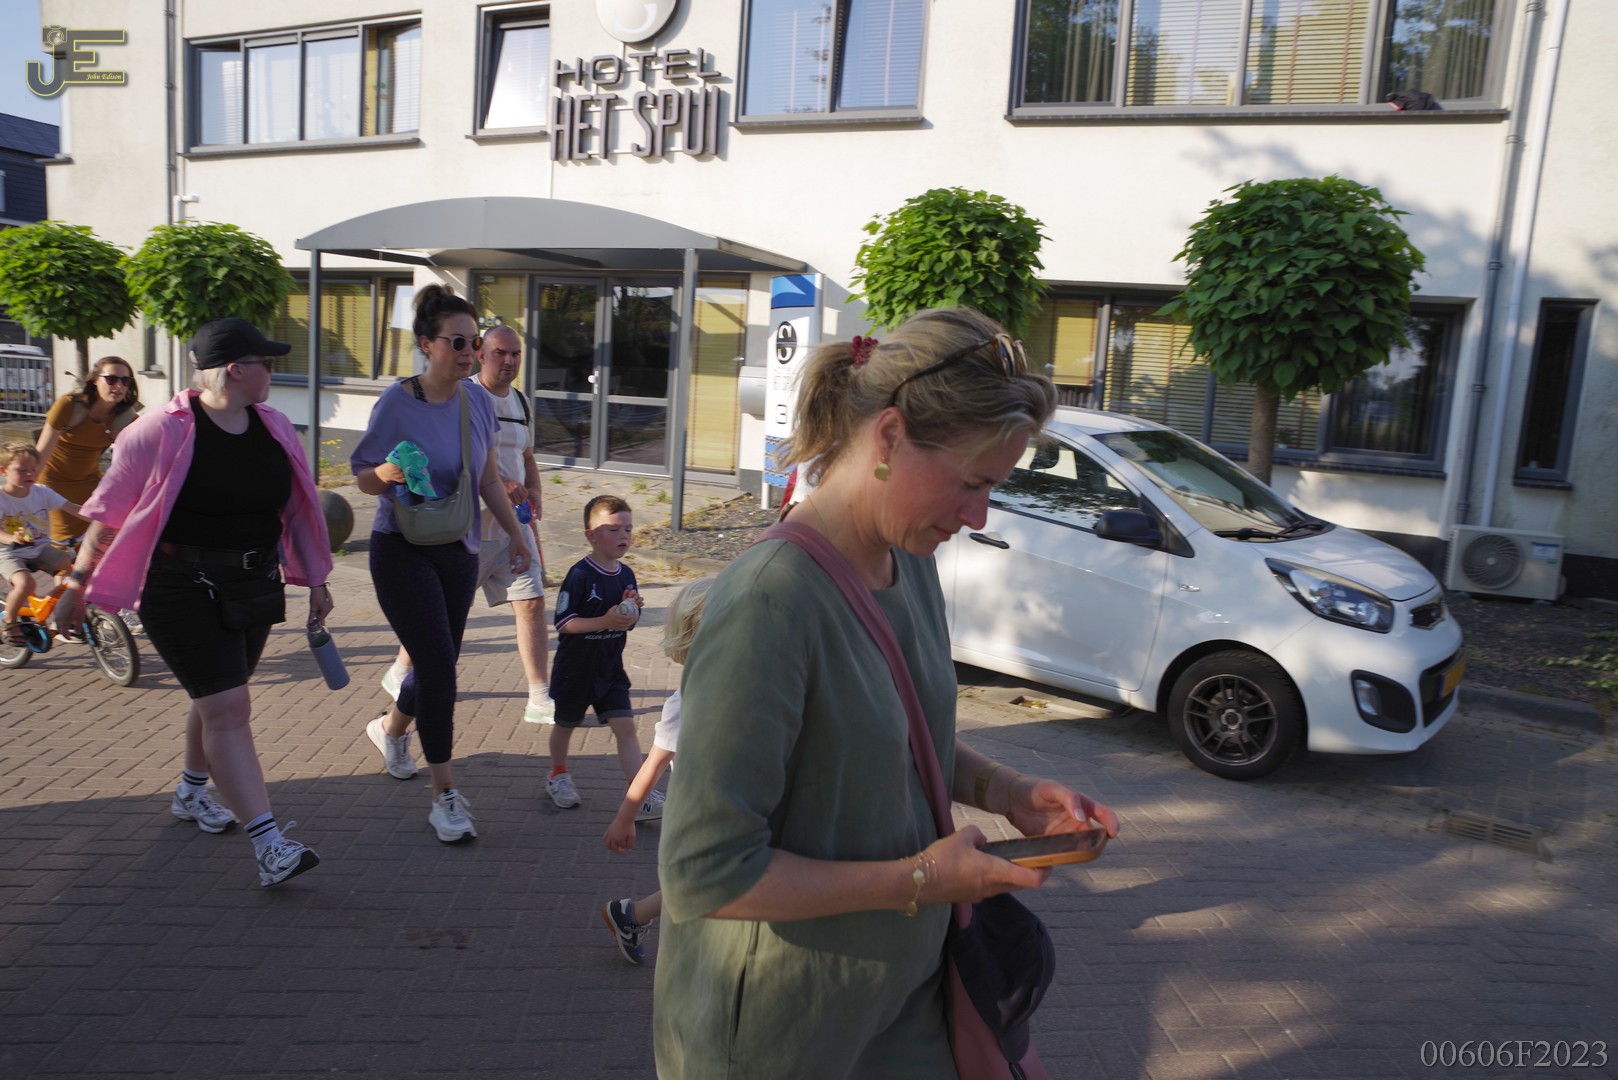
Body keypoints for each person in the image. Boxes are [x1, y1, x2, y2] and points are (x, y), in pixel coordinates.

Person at [652, 309, 1121, 1078]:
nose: (978, 515)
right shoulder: (770, 601)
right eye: (970, 483)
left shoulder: (910, 561)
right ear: (891, 437)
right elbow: (704, 872)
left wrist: (1007, 791)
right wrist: (922, 880)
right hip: (784, 1037)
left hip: (906, 1002)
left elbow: (898, 732)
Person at [57, 318, 333, 888]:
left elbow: (296, 508)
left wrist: (316, 580)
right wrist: (77, 587)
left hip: (252, 585)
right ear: (235, 369)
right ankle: (270, 846)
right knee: (229, 707)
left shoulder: (275, 426)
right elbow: (107, 517)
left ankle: (190, 791)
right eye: (266, 362)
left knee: (217, 698)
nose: (273, 371)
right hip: (177, 586)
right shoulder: (157, 430)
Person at [351, 284, 531, 844]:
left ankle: (390, 729)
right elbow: (362, 478)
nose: (469, 351)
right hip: (401, 548)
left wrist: (517, 534)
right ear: (427, 344)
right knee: (439, 669)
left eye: (473, 342)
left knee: (438, 661)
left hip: (457, 546)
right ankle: (444, 796)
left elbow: (487, 479)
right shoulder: (397, 402)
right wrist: (386, 474)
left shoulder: (477, 403)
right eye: (457, 341)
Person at [379, 324, 552, 723]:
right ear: (480, 355)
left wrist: (534, 489)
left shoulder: (521, 402)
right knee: (440, 619)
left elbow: (526, 455)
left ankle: (539, 697)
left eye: (515, 354)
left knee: (531, 602)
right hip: (466, 531)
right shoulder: (463, 397)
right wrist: (499, 482)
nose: (509, 361)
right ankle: (401, 671)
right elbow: (451, 459)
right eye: (500, 353)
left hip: (512, 529)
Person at [601, 574, 716, 966]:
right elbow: (655, 762)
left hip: (739, 804)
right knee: (714, 880)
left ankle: (630, 915)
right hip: (702, 811)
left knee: (713, 880)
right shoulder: (691, 699)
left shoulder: (748, 681)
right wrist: (625, 817)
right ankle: (631, 916)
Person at [543, 494, 650, 811]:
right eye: (614, 530)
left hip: (610, 669)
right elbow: (564, 622)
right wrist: (604, 620)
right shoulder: (579, 575)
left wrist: (632, 612)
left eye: (628, 529)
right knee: (565, 725)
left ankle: (639, 796)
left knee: (626, 727)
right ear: (591, 535)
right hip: (575, 670)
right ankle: (558, 774)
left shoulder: (627, 574)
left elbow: (627, 623)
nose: (624, 536)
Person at [35, 356, 141, 542]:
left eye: (125, 381)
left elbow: (130, 461)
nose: (119, 385)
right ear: (95, 380)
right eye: (111, 379)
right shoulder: (68, 405)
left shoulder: (126, 418)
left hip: (90, 483)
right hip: (54, 482)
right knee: (66, 541)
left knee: (100, 539)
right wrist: (27, 489)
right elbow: (41, 453)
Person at [1, 442, 82, 642]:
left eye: (33, 469)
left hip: (39, 548)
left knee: (76, 569)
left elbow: (73, 508)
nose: (30, 474)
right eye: (22, 470)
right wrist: (12, 538)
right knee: (26, 584)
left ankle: (52, 605)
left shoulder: (42, 492)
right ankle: (9, 622)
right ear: (3, 471)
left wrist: (104, 518)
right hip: (8, 552)